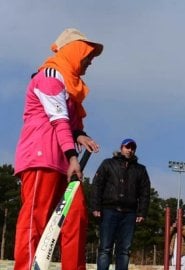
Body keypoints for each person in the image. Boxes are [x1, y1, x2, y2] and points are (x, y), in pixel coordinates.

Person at [13, 28, 103, 270]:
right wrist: (73, 156)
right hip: (42, 158)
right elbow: (58, 120)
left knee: (76, 217)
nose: (89, 63)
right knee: (36, 220)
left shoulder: (70, 86)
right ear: (74, 52)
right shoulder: (50, 76)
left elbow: (71, 124)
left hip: (64, 160)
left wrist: (81, 135)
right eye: (87, 57)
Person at [91, 138, 151, 270]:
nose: (130, 150)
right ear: (121, 148)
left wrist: (142, 212)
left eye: (133, 148)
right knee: (105, 248)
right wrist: (95, 206)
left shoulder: (140, 169)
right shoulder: (108, 164)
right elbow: (97, 185)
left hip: (129, 213)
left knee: (124, 250)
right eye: (127, 147)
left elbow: (145, 192)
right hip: (109, 210)